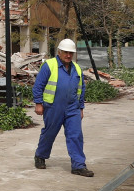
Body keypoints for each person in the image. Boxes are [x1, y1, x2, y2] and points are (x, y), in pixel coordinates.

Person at [32, 38, 93, 176]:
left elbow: (81, 89)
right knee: (49, 133)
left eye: (71, 53)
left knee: (76, 135)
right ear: (59, 52)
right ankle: (40, 156)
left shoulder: (76, 68)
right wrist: (38, 103)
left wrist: (81, 108)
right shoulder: (49, 65)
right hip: (53, 107)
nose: (68, 55)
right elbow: (38, 86)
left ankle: (78, 165)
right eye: (66, 52)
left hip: (73, 108)